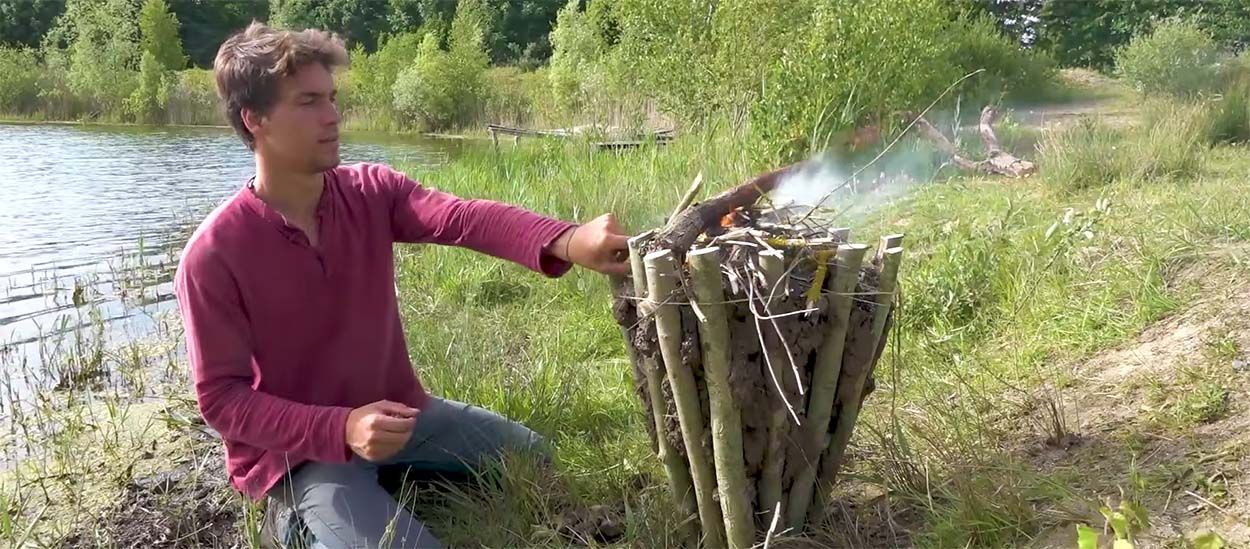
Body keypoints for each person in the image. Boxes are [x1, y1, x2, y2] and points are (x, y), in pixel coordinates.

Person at [174, 22, 630, 548]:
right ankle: (296, 521)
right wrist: (342, 428)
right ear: (255, 119)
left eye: (332, 97)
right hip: (300, 457)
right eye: (308, 102)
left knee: (534, 458)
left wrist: (568, 240)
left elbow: (463, 218)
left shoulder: (371, 192)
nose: (332, 116)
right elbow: (223, 401)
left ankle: (395, 483)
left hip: (401, 415)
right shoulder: (212, 256)